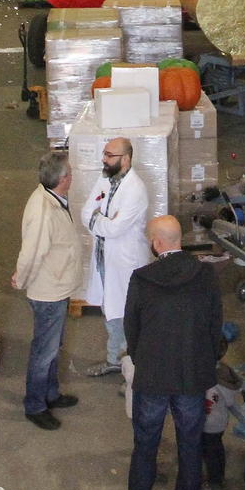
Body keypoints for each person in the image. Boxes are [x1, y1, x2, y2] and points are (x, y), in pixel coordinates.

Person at [124, 215, 222, 490]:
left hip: (153, 377)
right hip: (191, 376)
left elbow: (131, 327)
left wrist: (140, 358)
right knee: (190, 447)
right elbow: (215, 323)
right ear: (180, 240)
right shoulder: (205, 275)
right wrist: (207, 360)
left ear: (156, 243)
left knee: (145, 445)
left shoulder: (142, 279)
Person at [13, 151, 85, 430]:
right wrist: (21, 279)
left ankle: (51, 394)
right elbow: (31, 253)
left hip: (57, 288)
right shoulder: (44, 210)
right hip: (48, 293)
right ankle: (35, 405)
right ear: (64, 180)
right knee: (44, 351)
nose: (73, 176)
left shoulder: (53, 198)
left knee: (54, 346)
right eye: (70, 172)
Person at [80, 137, 151, 377]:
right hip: (103, 259)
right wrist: (102, 220)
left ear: (126, 159)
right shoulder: (104, 180)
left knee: (128, 317)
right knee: (109, 312)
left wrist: (99, 220)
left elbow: (114, 229)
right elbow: (85, 212)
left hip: (125, 262)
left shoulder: (136, 190)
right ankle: (114, 360)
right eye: (104, 153)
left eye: (110, 155)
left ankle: (134, 370)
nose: (104, 159)